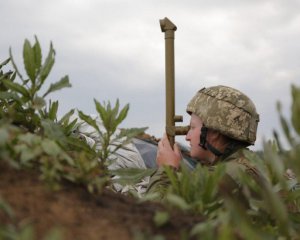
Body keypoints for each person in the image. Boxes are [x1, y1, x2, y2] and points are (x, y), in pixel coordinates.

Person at [147, 85, 262, 197]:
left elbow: (154, 212)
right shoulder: (242, 167)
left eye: (192, 128)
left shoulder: (227, 175)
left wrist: (166, 169)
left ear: (215, 133)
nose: (187, 136)